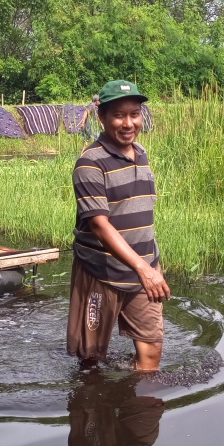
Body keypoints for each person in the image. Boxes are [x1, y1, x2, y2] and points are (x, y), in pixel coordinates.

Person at [68, 80, 170, 371]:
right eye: (119, 115)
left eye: (135, 114)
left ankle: (140, 412)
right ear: (101, 117)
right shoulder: (89, 163)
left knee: (151, 352)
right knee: (90, 359)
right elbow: (99, 225)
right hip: (101, 271)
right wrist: (143, 270)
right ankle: (91, 410)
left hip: (144, 269)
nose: (128, 123)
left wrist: (149, 268)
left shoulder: (141, 153)